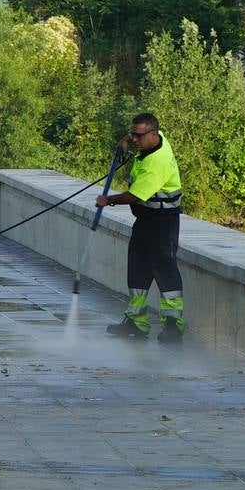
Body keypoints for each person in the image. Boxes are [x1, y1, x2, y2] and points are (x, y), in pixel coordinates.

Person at [96, 113, 185, 343]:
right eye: (132, 134)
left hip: (163, 222)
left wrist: (108, 200)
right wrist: (125, 140)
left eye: (138, 135)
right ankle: (136, 323)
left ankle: (173, 327)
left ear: (152, 134)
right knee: (137, 271)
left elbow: (134, 196)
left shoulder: (157, 164)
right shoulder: (156, 138)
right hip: (146, 220)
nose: (134, 139)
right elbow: (137, 135)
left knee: (165, 273)